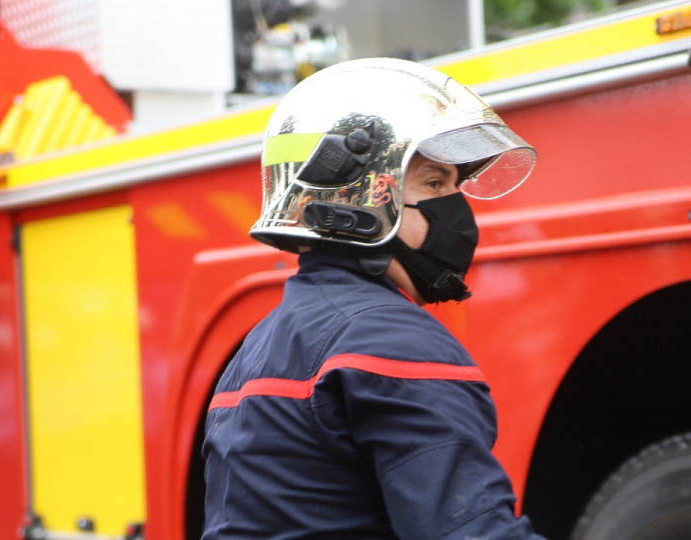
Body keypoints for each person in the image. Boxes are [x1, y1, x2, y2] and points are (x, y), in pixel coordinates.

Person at [202, 57, 544, 539]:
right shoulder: (390, 340)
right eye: (434, 183)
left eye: (455, 186)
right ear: (357, 199)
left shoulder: (254, 351)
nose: (458, 209)